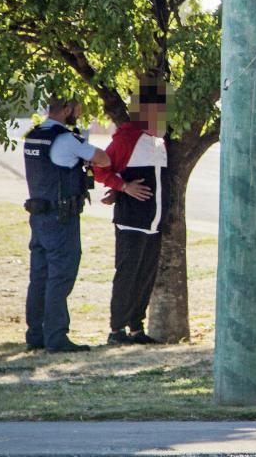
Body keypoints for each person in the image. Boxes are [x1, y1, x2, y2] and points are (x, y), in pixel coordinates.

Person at [23, 98, 110, 353]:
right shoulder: (65, 139)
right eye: (78, 108)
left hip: (38, 215)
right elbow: (102, 158)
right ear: (67, 109)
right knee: (60, 276)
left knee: (39, 275)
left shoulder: (34, 136)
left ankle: (35, 334)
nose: (80, 112)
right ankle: (56, 336)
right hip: (61, 218)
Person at [94, 79, 171, 345]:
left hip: (154, 223)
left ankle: (136, 329)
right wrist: (123, 187)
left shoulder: (160, 141)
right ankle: (116, 332)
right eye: (161, 108)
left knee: (146, 276)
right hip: (132, 222)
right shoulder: (128, 137)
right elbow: (100, 168)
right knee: (127, 275)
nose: (165, 114)